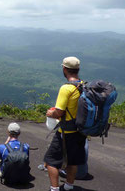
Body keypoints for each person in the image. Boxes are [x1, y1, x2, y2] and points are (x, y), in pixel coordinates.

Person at [44, 56, 87, 191]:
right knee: (72, 160)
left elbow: (59, 112)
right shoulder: (83, 85)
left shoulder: (66, 88)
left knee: (50, 161)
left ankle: (54, 189)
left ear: (64, 69)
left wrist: (50, 113)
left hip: (66, 132)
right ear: (78, 69)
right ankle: (68, 186)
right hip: (79, 131)